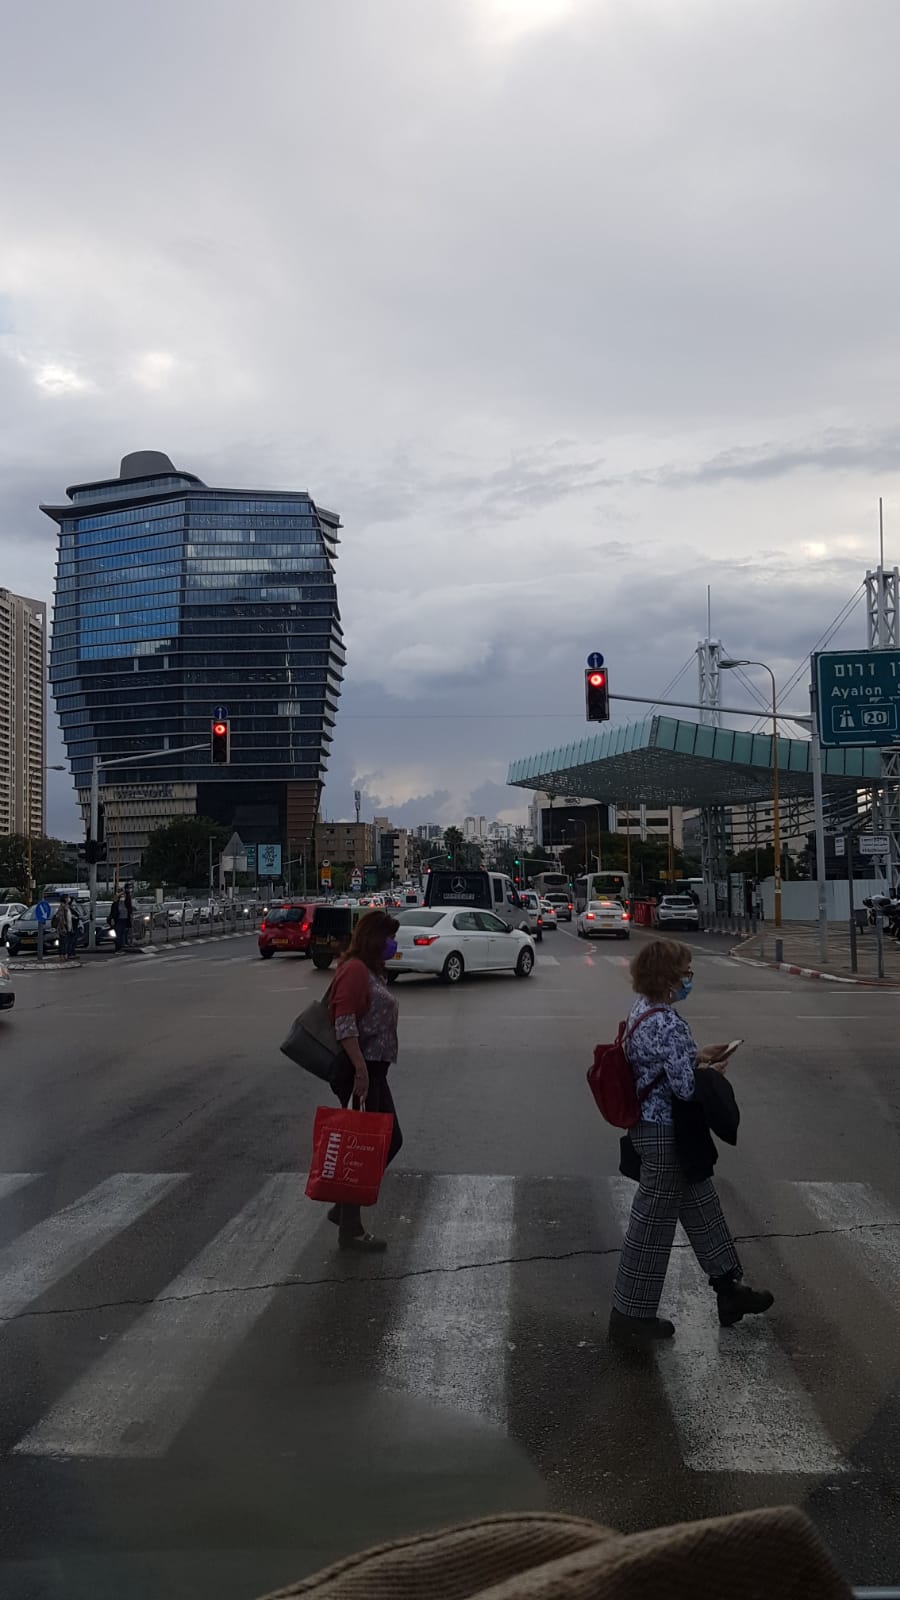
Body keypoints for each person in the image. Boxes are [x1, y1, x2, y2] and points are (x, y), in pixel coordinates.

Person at [610, 937, 773, 1345]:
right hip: (666, 1134)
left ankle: (729, 1290)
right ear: (667, 979)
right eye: (685, 973)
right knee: (651, 1227)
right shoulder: (668, 1023)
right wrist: (712, 1073)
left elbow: (661, 1065)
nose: (689, 979)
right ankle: (631, 1316)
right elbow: (684, 1088)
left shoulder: (643, 1011)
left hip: (658, 1130)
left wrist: (698, 1056)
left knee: (702, 1208)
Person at [327, 909, 403, 1251]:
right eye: (389, 938)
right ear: (373, 939)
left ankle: (345, 1210)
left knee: (383, 1142)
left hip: (374, 1070)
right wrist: (360, 1071)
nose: (393, 944)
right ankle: (350, 1226)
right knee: (368, 1146)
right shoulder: (355, 970)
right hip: (362, 1070)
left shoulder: (371, 970)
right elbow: (344, 1022)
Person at [52, 895, 72, 963]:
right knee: (63, 942)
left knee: (64, 942)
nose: (69, 899)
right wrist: (63, 928)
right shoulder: (62, 908)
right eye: (67, 898)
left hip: (67, 927)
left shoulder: (66, 907)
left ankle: (64, 955)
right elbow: (61, 919)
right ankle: (63, 956)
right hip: (62, 928)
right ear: (65, 899)